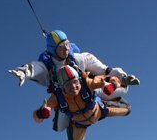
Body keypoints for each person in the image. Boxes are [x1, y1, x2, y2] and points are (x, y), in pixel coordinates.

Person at [8, 30, 139, 130]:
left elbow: (105, 70)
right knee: (59, 128)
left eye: (67, 44)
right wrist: (24, 72)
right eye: (61, 47)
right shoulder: (48, 68)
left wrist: (123, 77)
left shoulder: (79, 58)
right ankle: (76, 121)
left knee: (123, 89)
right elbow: (35, 67)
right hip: (67, 101)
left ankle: (105, 105)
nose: (66, 48)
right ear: (53, 50)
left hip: (90, 92)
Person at [33, 65, 131, 140]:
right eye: (68, 85)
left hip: (100, 111)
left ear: (79, 80)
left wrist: (113, 85)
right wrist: (42, 113)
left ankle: (112, 100)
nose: (73, 87)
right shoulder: (58, 96)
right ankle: (70, 125)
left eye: (75, 82)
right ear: (62, 87)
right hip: (79, 123)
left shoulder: (87, 83)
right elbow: (39, 114)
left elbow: (108, 78)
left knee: (127, 110)